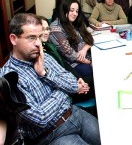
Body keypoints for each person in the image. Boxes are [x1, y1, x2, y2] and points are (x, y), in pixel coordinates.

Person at [0, 13, 100, 144]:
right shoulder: (8, 77)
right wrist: (64, 90)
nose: (38, 44)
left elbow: (71, 81)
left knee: (110, 138)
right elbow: (41, 118)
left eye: (39, 37)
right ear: (14, 39)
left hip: (75, 113)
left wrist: (45, 73)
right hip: (52, 134)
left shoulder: (43, 56)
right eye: (31, 38)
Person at [39, 15, 95, 103]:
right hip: (66, 92)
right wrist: (76, 87)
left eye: (47, 29)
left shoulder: (48, 46)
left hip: (72, 83)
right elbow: (53, 79)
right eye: (42, 29)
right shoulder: (39, 54)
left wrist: (78, 78)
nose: (46, 32)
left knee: (97, 78)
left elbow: (64, 65)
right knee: (98, 81)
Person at [49, 0, 94, 78]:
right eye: (72, 10)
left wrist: (84, 49)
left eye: (77, 11)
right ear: (64, 10)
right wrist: (91, 63)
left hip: (87, 56)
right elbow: (71, 55)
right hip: (73, 64)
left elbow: (90, 39)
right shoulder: (55, 29)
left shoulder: (74, 23)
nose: (75, 14)